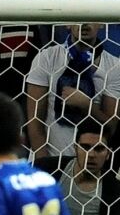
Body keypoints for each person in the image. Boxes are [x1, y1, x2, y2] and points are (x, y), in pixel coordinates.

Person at [26, 22, 120, 159]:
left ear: (101, 24)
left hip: (90, 163)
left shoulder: (114, 67)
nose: (85, 23)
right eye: (79, 18)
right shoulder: (47, 58)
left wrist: (86, 105)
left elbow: (111, 126)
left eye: (90, 18)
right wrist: (44, 163)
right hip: (50, 157)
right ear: (67, 24)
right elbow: (34, 121)